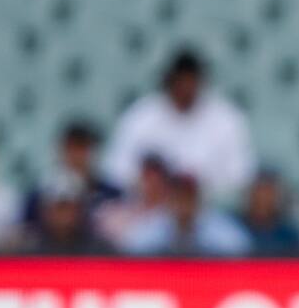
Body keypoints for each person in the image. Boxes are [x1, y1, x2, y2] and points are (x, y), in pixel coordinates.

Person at [103, 49, 256, 202]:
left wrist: (196, 190)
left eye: (191, 81)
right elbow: (117, 172)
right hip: (148, 208)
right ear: (169, 81)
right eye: (181, 81)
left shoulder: (227, 119)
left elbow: (241, 177)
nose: (186, 88)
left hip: (209, 209)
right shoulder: (141, 116)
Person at [22, 120, 120, 231]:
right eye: (71, 148)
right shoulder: (41, 197)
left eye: (82, 148)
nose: (76, 156)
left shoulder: (110, 194)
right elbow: (26, 231)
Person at [123, 173, 251, 255]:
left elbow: (240, 248)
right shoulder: (156, 225)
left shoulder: (215, 226)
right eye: (178, 198)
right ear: (169, 201)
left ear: (197, 201)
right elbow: (133, 248)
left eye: (187, 198)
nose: (182, 205)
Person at [95, 152, 172, 251]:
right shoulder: (125, 208)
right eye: (147, 175)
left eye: (155, 176)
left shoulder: (171, 214)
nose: (151, 182)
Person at [239, 169, 299, 255]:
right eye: (259, 191)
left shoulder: (289, 236)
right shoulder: (233, 228)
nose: (263, 199)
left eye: (269, 193)